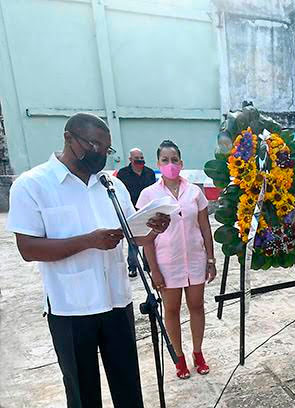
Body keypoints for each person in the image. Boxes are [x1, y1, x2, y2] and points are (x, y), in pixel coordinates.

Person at [7, 113, 171, 408]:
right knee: (83, 395)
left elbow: (133, 236)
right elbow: (28, 248)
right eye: (93, 145)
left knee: (129, 388)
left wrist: (153, 230)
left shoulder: (112, 186)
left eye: (105, 149)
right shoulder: (33, 185)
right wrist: (88, 241)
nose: (100, 154)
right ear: (69, 137)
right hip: (70, 308)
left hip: (117, 302)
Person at [138, 140, 216, 379]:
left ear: (181, 163)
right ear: (158, 164)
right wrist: (154, 270)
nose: (170, 164)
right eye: (165, 160)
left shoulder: (194, 192)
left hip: (194, 258)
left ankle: (198, 352)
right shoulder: (149, 195)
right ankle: (179, 357)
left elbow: (204, 227)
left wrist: (210, 260)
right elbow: (145, 237)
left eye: (174, 160)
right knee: (171, 310)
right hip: (167, 262)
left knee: (196, 307)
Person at [116, 148, 156, 277]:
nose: (139, 161)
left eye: (141, 158)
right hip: (131, 211)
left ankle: (147, 264)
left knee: (148, 238)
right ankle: (133, 266)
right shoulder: (123, 174)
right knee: (133, 240)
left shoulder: (149, 173)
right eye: (136, 158)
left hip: (147, 209)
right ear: (130, 159)